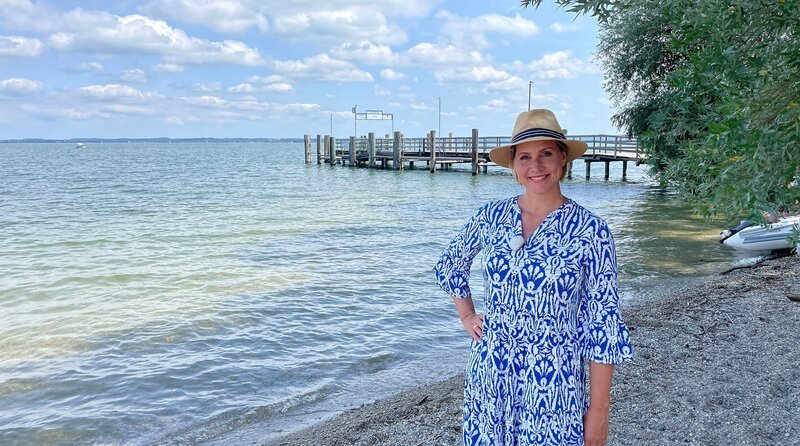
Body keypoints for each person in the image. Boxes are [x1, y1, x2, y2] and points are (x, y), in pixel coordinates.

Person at [433, 109, 633, 446]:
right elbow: (451, 265)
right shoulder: (491, 216)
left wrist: (599, 411)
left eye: (546, 154)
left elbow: (604, 323)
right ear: (512, 163)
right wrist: (466, 314)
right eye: (524, 156)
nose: (535, 167)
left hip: (554, 380)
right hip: (491, 372)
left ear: (563, 158)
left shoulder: (591, 230)